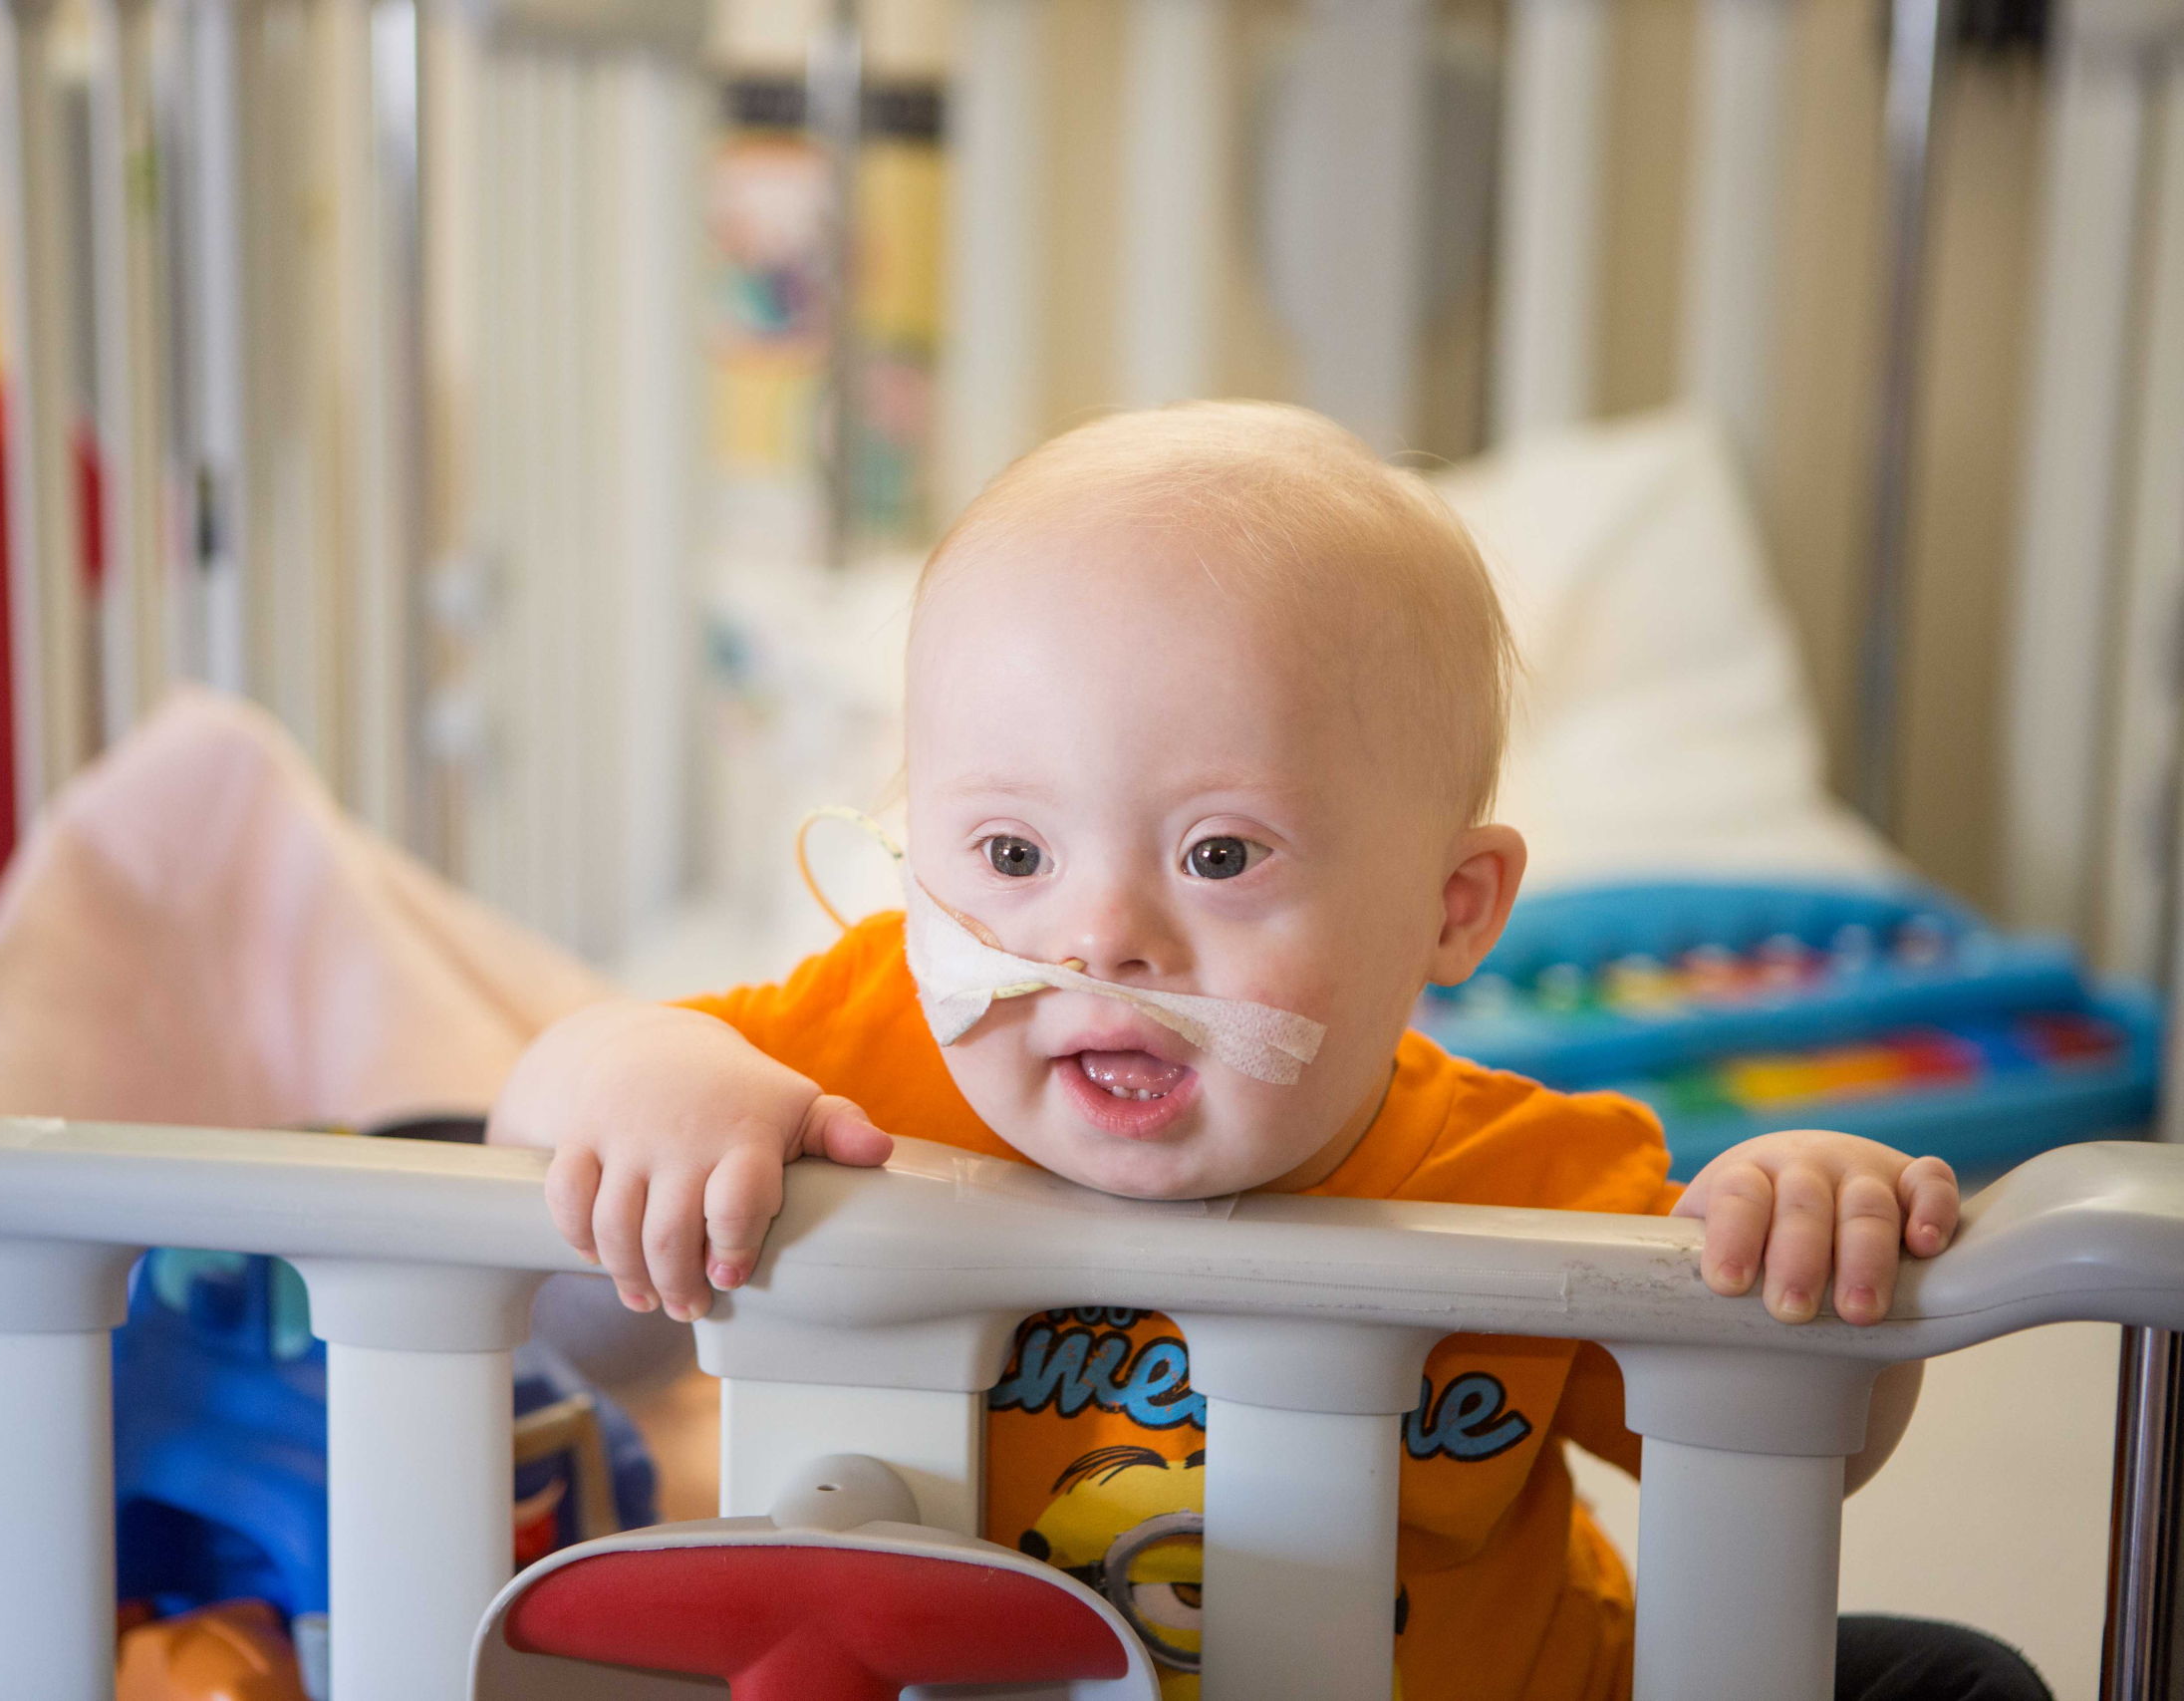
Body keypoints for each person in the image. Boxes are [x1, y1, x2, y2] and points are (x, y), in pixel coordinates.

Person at [490, 402, 2048, 1700]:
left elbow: (1800, 1449)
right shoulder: (861, 1052)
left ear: (1452, 909)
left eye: (1221, 857)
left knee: (1958, 1683)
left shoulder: (1526, 1179)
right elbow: (543, 1132)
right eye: (1013, 855)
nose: (1101, 940)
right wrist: (636, 1076)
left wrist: (1807, 1220)